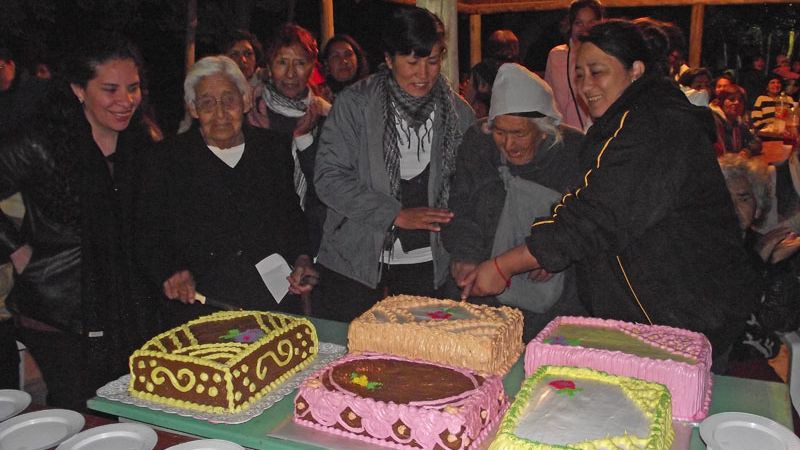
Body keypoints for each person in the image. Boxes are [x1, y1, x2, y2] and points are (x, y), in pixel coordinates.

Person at [460, 19, 759, 371]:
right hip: (658, 313)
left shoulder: (656, 126)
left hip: (685, 313)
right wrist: (542, 253)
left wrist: (503, 265)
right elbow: (585, 202)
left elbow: (595, 218)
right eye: (580, 74)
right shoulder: (626, 122)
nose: (586, 85)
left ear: (635, 70)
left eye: (597, 72)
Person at [0, 36, 161, 409]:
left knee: (126, 407)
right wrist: (19, 250)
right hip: (59, 308)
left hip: (128, 304)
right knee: (79, 413)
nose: (126, 100)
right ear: (78, 90)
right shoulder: (44, 142)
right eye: (110, 89)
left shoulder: (142, 140)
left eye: (133, 87)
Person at [313, 6, 475, 323]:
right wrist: (394, 214)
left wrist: (467, 250)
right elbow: (328, 178)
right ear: (389, 59)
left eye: (432, 61)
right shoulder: (355, 105)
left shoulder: (458, 114)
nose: (424, 74)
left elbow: (470, 188)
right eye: (411, 62)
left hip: (428, 263)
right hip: (356, 259)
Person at [137, 56, 317, 327]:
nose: (220, 114)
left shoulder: (273, 150)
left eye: (228, 100)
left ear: (245, 101)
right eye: (207, 103)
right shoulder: (166, 159)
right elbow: (149, 233)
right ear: (192, 108)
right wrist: (171, 272)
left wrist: (303, 258)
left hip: (272, 306)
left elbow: (291, 216)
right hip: (201, 308)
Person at [442, 63, 587, 340]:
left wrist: (554, 256)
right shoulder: (477, 142)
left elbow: (583, 223)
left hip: (548, 299)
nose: (508, 145)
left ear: (544, 129)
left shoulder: (574, 152)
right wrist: (465, 255)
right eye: (500, 132)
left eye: (519, 133)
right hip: (484, 290)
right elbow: (459, 205)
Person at [248, 23, 331, 254]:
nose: (291, 74)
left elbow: (328, 185)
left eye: (300, 63)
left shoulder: (327, 116)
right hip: (263, 240)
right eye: (282, 62)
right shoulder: (251, 111)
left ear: (312, 66)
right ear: (269, 66)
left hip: (315, 240)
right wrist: (262, 140)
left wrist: (304, 139)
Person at [718, 154, 800, 372]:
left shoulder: (765, 244)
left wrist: (777, 266)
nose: (734, 208)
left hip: (751, 362)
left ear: (758, 207)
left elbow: (782, 322)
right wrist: (759, 260)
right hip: (714, 358)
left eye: (744, 198)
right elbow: (723, 315)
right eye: (725, 199)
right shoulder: (702, 247)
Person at [544, 0, 605, 132]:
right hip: (564, 137)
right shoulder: (556, 55)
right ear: (570, 25)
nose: (585, 29)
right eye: (579, 23)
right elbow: (548, 100)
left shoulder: (608, 56)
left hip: (598, 134)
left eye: (591, 22)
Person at [713, 84, 762, 156]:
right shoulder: (713, 121)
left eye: (740, 101)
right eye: (731, 99)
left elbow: (756, 141)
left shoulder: (738, 122)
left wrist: (747, 151)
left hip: (733, 164)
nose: (737, 103)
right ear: (721, 102)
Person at [319, 34, 369, 102]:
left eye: (348, 54)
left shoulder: (373, 91)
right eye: (336, 56)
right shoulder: (319, 98)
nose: (344, 61)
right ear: (327, 64)